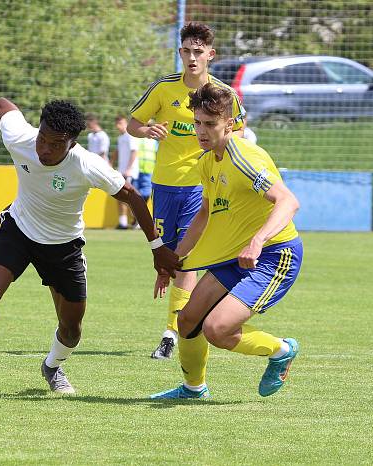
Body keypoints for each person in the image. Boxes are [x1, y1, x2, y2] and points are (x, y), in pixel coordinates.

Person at [0, 98, 179, 394]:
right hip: (18, 231)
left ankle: (52, 367)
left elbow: (133, 197)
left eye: (55, 144)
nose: (44, 149)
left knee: (71, 330)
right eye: (42, 138)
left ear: (71, 143)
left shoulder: (87, 164)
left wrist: (157, 248)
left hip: (64, 247)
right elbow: (0, 106)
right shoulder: (22, 138)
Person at [151, 83, 302, 399]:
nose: (201, 131)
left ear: (230, 124)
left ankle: (282, 350)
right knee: (188, 318)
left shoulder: (244, 157)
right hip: (237, 255)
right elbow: (204, 214)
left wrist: (258, 241)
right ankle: (194, 389)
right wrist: (173, 260)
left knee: (217, 329)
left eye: (210, 124)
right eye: (197, 123)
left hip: (274, 255)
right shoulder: (207, 160)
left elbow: (287, 201)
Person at [128, 22, 246, 360]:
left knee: (185, 258)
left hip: (202, 185)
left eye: (198, 52)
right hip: (165, 185)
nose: (192, 57)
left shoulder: (223, 94)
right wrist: (146, 129)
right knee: (167, 257)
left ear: (211, 55)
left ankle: (172, 332)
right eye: (186, 51)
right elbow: (133, 124)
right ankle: (186, 322)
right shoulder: (164, 89)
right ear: (180, 53)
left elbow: (238, 129)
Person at [113, 115, 139, 229]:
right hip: (121, 171)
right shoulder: (120, 138)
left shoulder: (130, 136)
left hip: (129, 172)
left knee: (129, 199)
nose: (119, 126)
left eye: (121, 123)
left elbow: (134, 152)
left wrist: (129, 169)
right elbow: (118, 152)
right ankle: (123, 223)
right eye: (117, 124)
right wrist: (111, 162)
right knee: (120, 197)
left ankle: (137, 222)